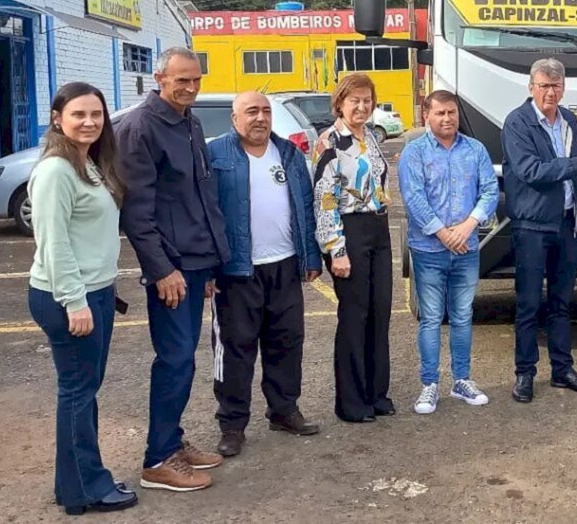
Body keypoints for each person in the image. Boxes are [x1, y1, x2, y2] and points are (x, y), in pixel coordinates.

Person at [118, 47, 230, 491]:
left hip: (196, 263)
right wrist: (162, 270)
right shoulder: (140, 128)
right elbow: (137, 213)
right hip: (172, 270)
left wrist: (210, 261)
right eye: (181, 80)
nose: (190, 87)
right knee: (175, 358)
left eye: (196, 80)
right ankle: (157, 460)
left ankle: (173, 441)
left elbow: (199, 197)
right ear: (160, 77)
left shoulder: (189, 121)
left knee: (185, 360)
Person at [28, 82, 137, 516]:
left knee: (83, 391)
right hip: (68, 297)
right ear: (58, 118)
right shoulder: (56, 171)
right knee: (77, 394)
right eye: (78, 115)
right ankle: (86, 490)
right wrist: (75, 302)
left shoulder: (87, 163)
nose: (89, 122)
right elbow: (53, 244)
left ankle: (73, 483)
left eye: (96, 114)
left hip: (95, 291)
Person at [207, 92, 323, 457]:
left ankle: (284, 410)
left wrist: (311, 256)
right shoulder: (217, 155)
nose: (260, 118)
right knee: (235, 349)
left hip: (285, 265)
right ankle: (232, 424)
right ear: (234, 117)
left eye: (265, 111)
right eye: (251, 111)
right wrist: (209, 268)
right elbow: (206, 213)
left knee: (287, 342)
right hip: (237, 270)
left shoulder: (288, 153)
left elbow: (305, 207)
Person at [501, 58, 577, 403]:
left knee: (562, 302)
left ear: (564, 88)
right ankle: (525, 373)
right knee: (529, 303)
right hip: (532, 225)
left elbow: (566, 174)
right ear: (531, 87)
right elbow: (530, 170)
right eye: (544, 85)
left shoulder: (568, 121)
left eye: (556, 85)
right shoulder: (517, 122)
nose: (551, 91)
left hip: (566, 222)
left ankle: (562, 369)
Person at [398, 90, 499, 414]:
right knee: (430, 318)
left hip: (467, 247)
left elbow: (489, 190)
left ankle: (462, 380)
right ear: (427, 114)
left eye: (451, 113)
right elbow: (413, 199)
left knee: (462, 316)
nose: (446, 119)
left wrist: (468, 226)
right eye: (440, 113)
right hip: (428, 249)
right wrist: (443, 233)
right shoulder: (414, 153)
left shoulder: (475, 150)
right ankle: (429, 385)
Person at [313, 72, 394, 422]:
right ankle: (351, 402)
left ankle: (377, 393)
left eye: (367, 100)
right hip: (349, 231)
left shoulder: (371, 137)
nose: (361, 106)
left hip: (378, 228)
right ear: (340, 103)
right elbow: (324, 199)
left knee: (380, 314)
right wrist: (336, 249)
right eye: (354, 100)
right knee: (354, 318)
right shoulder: (329, 142)